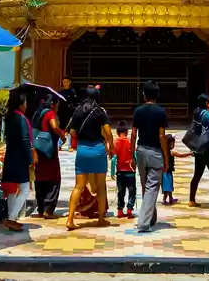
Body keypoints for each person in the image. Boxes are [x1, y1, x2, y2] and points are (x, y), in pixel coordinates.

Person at [65, 86, 114, 231]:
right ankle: (100, 218)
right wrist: (111, 147)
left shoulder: (78, 111)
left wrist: (81, 138)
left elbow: (72, 132)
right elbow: (108, 132)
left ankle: (70, 219)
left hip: (82, 150)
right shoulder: (100, 112)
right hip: (98, 150)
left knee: (78, 186)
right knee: (100, 186)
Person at [131, 79, 169, 232]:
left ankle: (151, 216)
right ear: (157, 95)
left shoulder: (138, 111)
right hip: (155, 152)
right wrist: (166, 157)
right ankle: (143, 222)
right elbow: (162, 136)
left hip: (140, 150)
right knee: (152, 187)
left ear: (144, 94)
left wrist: (131, 154)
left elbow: (133, 133)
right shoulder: (160, 112)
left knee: (145, 185)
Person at [0, 88, 35, 231]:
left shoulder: (9, 117)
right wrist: (29, 158)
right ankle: (11, 218)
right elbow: (25, 141)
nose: (26, 106)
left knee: (13, 190)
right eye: (25, 103)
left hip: (11, 156)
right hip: (19, 158)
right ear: (20, 104)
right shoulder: (20, 119)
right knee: (25, 189)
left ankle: (11, 218)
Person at [32, 93, 64, 219]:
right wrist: (61, 134)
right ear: (52, 104)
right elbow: (54, 127)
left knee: (39, 179)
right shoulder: (50, 113)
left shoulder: (37, 113)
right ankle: (48, 210)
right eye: (57, 105)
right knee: (53, 179)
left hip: (38, 150)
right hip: (49, 151)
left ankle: (40, 208)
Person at [110, 121, 136, 218]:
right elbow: (135, 156)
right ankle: (129, 209)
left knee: (121, 191)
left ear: (117, 132)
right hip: (130, 172)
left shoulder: (115, 142)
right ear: (127, 131)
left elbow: (113, 159)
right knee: (132, 191)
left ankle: (120, 210)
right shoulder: (130, 142)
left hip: (120, 172)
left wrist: (112, 171)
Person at [160, 134, 192, 205]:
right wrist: (190, 153)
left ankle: (171, 198)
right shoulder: (171, 152)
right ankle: (164, 199)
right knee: (167, 187)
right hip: (167, 172)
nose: (174, 145)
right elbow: (181, 155)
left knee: (169, 186)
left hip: (165, 172)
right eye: (173, 143)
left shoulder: (162, 152)